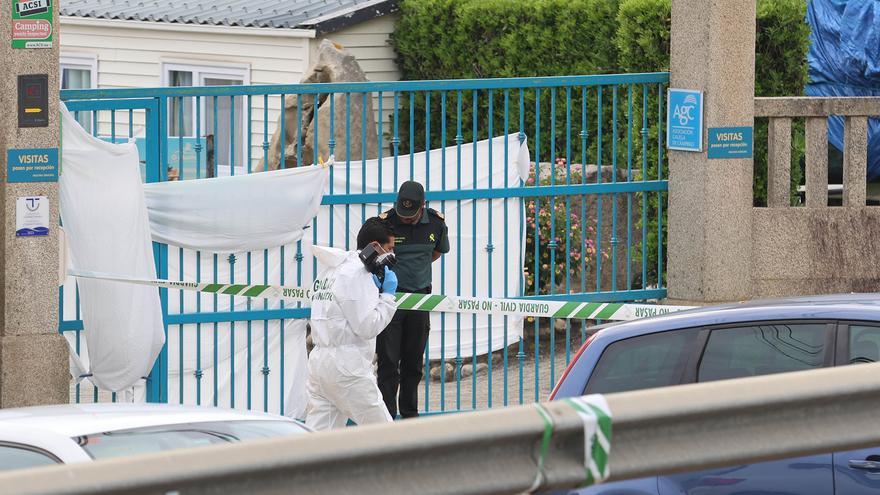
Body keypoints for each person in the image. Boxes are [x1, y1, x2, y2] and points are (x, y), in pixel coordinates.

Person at [305, 217, 399, 431]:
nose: (392, 255)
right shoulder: (358, 273)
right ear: (375, 246)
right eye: (390, 248)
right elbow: (367, 327)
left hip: (320, 365)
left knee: (317, 444)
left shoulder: (330, 269)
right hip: (348, 368)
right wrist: (387, 297)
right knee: (387, 436)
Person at [377, 180, 449, 419]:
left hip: (419, 300)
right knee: (388, 362)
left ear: (423, 206)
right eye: (402, 212)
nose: (405, 218)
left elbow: (435, 253)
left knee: (413, 363)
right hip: (391, 301)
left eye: (411, 213)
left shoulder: (436, 223)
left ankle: (410, 416)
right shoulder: (385, 222)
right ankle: (386, 417)